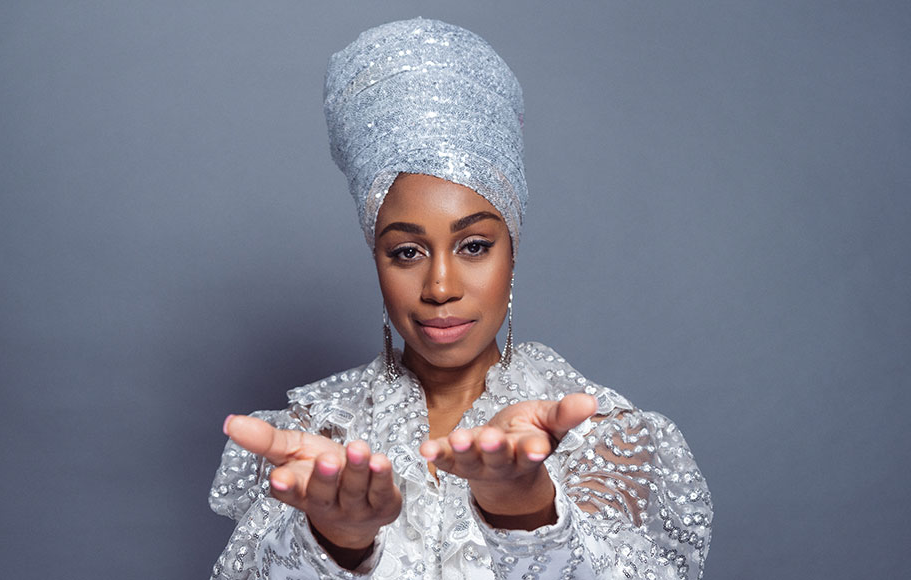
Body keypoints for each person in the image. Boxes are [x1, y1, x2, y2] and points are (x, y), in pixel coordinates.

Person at [208, 18, 711, 580]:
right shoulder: (314, 433)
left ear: (512, 251)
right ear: (375, 257)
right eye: (406, 252)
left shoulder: (600, 435)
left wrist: (524, 511)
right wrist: (336, 543)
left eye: (473, 246)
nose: (441, 288)